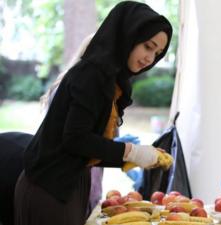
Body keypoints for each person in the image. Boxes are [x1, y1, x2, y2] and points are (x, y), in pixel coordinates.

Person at [14, 1, 173, 225]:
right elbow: (75, 140)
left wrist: (131, 158)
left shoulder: (110, 79)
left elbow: (85, 149)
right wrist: (131, 152)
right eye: (148, 46)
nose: (150, 58)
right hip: (49, 188)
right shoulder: (92, 74)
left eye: (157, 53)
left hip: (68, 184)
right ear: (128, 35)